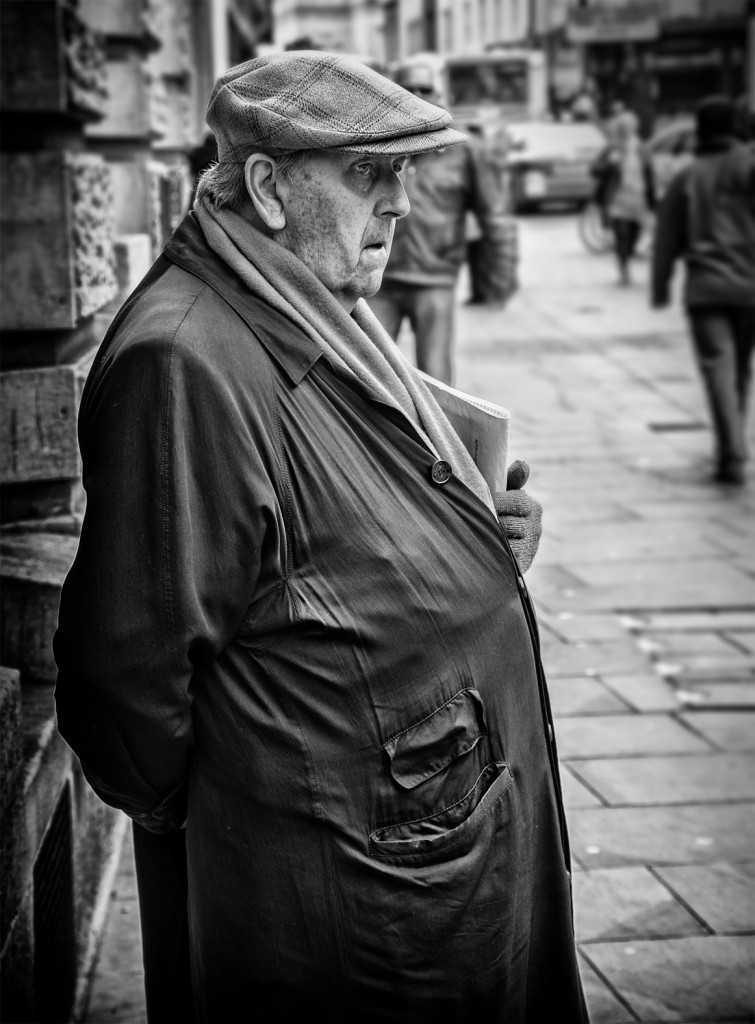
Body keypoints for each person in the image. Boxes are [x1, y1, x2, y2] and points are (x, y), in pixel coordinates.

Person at [53, 50, 588, 1024]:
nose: (398, 203)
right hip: (338, 897)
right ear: (265, 186)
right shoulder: (186, 362)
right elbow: (128, 688)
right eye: (364, 173)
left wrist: (469, 534)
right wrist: (237, 807)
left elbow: (329, 535)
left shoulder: (309, 293)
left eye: (402, 172)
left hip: (417, 858)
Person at [367, 59, 513, 385]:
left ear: (439, 94)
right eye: (409, 89)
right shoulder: (375, 144)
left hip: (434, 278)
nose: (418, 95)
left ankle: (439, 438)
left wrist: (499, 277)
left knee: (437, 381)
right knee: (369, 376)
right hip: (380, 280)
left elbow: (493, 213)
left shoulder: (464, 150)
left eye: (425, 89)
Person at [652, 94, 755, 486]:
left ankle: (732, 451)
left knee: (719, 369)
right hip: (750, 287)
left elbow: (666, 237)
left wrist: (661, 286)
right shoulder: (749, 165)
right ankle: (734, 447)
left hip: (707, 290)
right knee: (740, 369)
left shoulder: (688, 176)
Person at [602, 109, 654, 285]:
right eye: (623, 127)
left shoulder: (642, 147)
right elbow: (594, 169)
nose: (627, 129)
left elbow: (649, 174)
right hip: (618, 199)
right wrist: (610, 163)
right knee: (621, 236)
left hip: (637, 198)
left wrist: (652, 201)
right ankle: (623, 269)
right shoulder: (613, 148)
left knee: (634, 235)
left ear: (635, 127)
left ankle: (627, 257)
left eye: (630, 126)